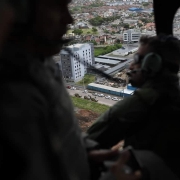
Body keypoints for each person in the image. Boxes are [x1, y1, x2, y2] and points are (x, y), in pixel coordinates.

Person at [0, 0, 142, 180]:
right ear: (19, 12)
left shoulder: (42, 65)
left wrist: (84, 151)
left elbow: (59, 134)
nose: (69, 19)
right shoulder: (12, 95)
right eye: (56, 6)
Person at [87, 35, 180, 178]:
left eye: (136, 59)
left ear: (152, 63)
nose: (130, 66)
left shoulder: (146, 100)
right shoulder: (174, 94)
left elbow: (88, 142)